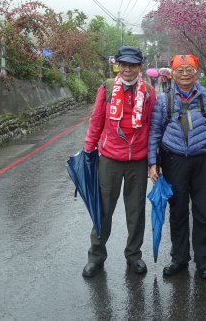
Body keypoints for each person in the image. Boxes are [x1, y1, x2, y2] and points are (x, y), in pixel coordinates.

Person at [147, 54, 206, 280]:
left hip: (201, 161)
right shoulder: (164, 100)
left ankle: (203, 260)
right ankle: (179, 258)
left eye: (188, 69)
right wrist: (153, 162)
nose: (184, 74)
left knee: (203, 211)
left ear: (196, 72)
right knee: (178, 212)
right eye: (179, 70)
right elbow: (155, 132)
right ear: (172, 74)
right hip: (174, 161)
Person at [82, 46, 156, 278]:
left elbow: (152, 127)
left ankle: (134, 255)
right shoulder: (106, 88)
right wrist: (88, 150)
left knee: (136, 211)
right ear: (118, 66)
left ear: (139, 67)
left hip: (138, 160)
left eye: (132, 65)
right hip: (110, 159)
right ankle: (96, 256)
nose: (127, 69)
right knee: (103, 210)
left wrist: (154, 160)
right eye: (123, 64)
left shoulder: (149, 92)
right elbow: (96, 120)